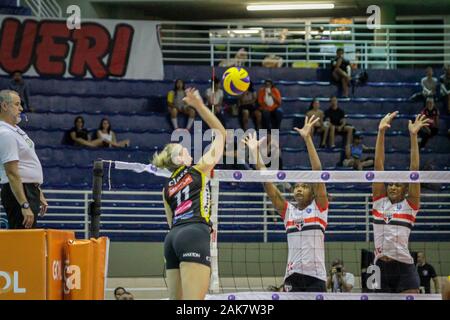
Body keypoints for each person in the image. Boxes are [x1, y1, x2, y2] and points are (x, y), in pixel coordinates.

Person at [152, 88, 226, 300]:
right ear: (179, 160)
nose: (187, 150)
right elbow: (221, 134)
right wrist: (200, 106)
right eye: (182, 150)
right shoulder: (198, 169)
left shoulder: (165, 189)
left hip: (173, 239)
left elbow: (171, 222)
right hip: (194, 233)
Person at [243, 115, 328, 292]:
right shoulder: (288, 212)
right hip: (292, 276)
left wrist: (307, 139)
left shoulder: (319, 208)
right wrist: (254, 153)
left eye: (304, 186)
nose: (298, 189)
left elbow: (318, 171)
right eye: (296, 186)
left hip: (316, 276)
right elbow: (267, 183)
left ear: (312, 192)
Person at [372, 111, 429, 293]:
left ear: (405, 189)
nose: (392, 187)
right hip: (380, 266)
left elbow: (414, 170)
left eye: (398, 185)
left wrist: (413, 136)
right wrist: (381, 132)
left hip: (404, 266)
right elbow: (378, 166)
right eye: (391, 184)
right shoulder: (380, 201)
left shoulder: (410, 205)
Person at [0, 90, 48, 229]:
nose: (21, 108)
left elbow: (26, 164)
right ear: (4, 106)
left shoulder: (15, 130)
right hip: (19, 193)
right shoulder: (5, 133)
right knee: (22, 242)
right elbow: (12, 173)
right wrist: (24, 204)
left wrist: (38, 192)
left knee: (28, 239)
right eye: (17, 104)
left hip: (28, 190)